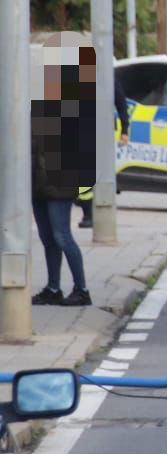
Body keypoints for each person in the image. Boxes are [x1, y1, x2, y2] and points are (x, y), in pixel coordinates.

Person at [32, 63, 93, 307]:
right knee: (48, 238)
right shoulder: (39, 109)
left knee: (62, 237)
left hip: (59, 186)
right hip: (38, 186)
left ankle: (82, 289)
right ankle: (53, 287)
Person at [78, 76, 130, 228]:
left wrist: (125, 130)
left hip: (102, 131)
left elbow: (121, 103)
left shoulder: (107, 76)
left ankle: (93, 212)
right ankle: (88, 213)